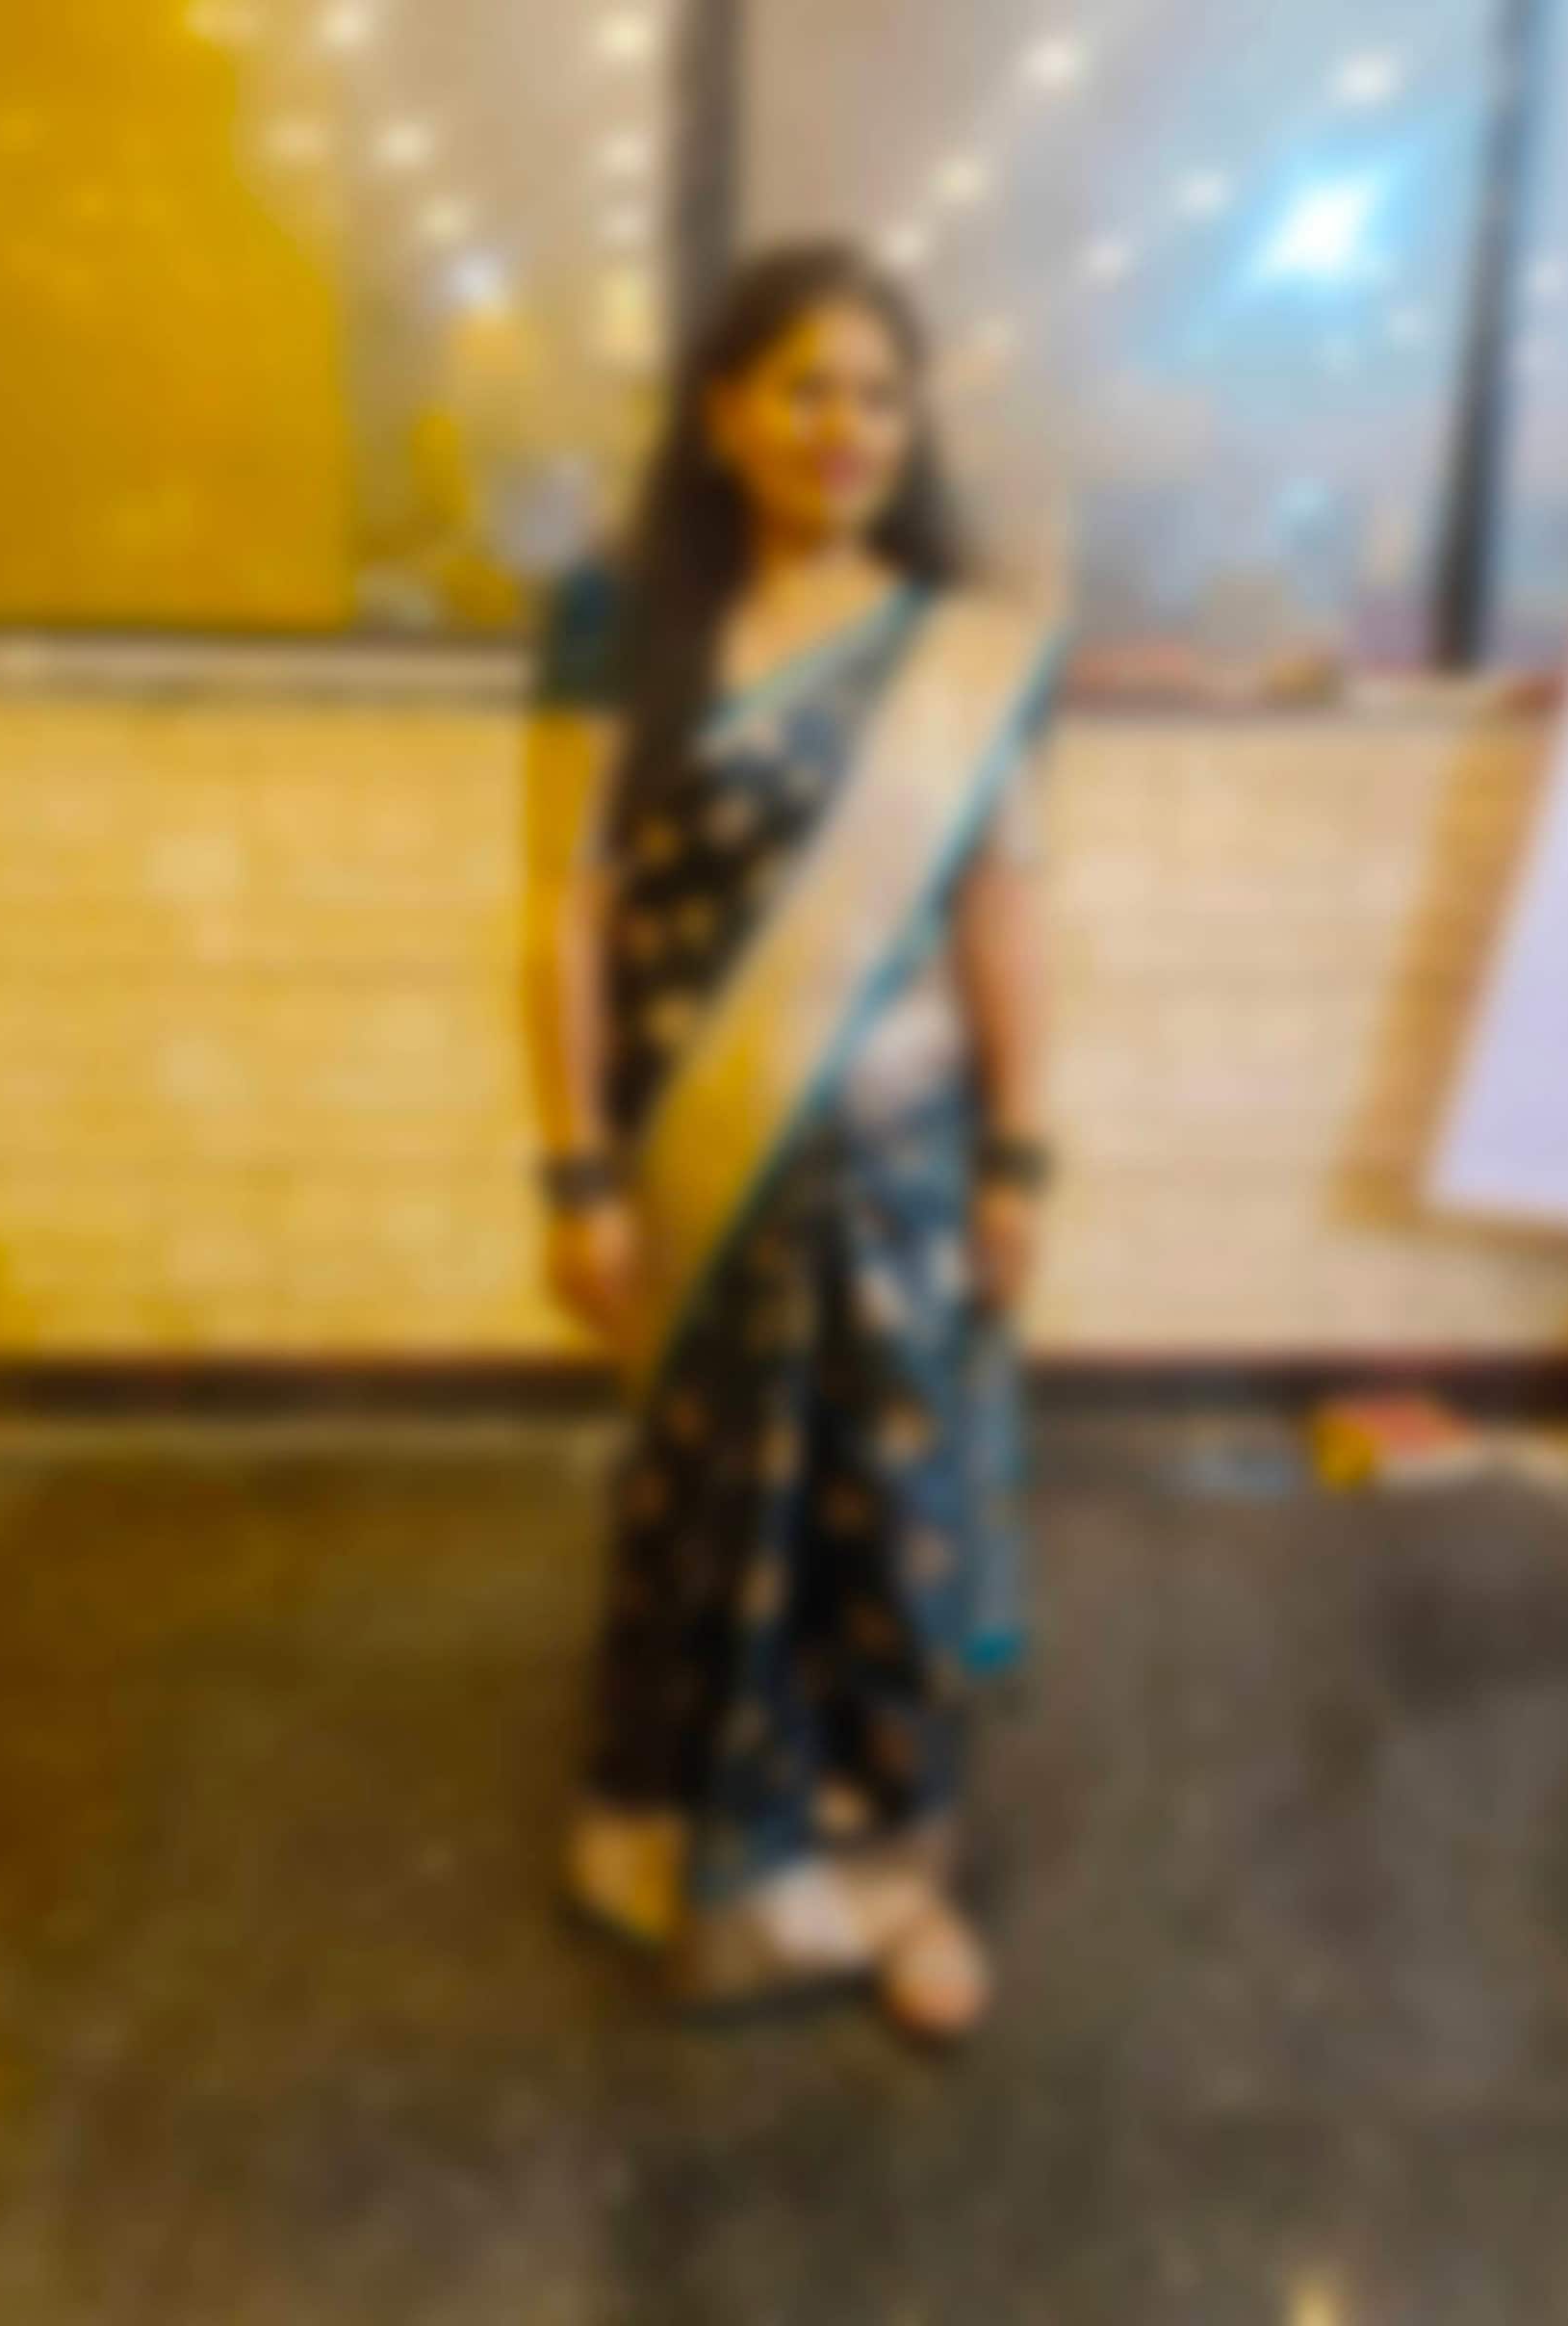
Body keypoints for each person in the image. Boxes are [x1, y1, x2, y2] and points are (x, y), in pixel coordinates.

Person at [524, 241, 1066, 2042]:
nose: (847, 427)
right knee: (704, 1507)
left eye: (881, 395)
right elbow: (567, 913)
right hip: (705, 1158)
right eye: (807, 387)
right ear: (724, 414)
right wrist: (577, 1169)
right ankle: (681, 1837)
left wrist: (1020, 1155)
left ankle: (898, 1882)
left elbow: (1001, 912)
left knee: (892, 1523)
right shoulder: (618, 622)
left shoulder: (962, 654)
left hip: (903, 1171)